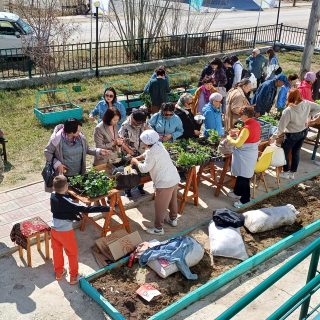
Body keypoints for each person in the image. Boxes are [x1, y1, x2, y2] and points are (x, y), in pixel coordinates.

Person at [50, 175, 109, 284]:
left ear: (54, 187)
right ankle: (73, 277)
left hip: (54, 230)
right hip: (65, 232)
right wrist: (106, 208)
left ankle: (59, 273)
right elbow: (85, 208)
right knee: (72, 253)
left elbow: (63, 207)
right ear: (66, 186)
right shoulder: (67, 201)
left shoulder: (52, 196)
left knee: (57, 251)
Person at [131, 130, 180, 235]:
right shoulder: (159, 144)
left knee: (160, 207)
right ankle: (173, 219)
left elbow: (144, 169)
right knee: (172, 200)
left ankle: (158, 229)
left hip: (164, 183)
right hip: (174, 177)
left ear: (146, 142)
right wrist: (139, 157)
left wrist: (135, 161)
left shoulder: (152, 152)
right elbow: (147, 153)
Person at [44, 118, 108, 191]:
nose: (80, 132)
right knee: (65, 197)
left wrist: (99, 151)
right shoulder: (56, 139)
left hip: (78, 174)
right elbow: (47, 152)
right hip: (64, 175)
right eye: (78, 130)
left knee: (76, 197)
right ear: (71, 131)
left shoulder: (80, 137)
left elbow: (87, 149)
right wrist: (57, 164)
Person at [270, 89, 320, 179]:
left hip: (292, 135)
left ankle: (286, 172)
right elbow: (318, 108)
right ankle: (292, 173)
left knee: (284, 153)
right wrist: (309, 116)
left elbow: (281, 128)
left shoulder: (288, 111)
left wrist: (273, 137)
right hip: (304, 132)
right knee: (296, 152)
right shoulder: (306, 103)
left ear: (290, 98)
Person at [227, 106, 261, 208]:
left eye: (240, 115)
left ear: (245, 116)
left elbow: (238, 143)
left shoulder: (247, 128)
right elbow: (248, 135)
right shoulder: (255, 123)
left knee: (244, 177)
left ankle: (245, 199)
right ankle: (237, 192)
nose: (239, 117)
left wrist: (229, 138)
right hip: (250, 153)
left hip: (245, 155)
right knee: (242, 175)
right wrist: (237, 132)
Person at [119, 109, 150, 197]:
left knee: (141, 171)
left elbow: (150, 133)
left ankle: (140, 187)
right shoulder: (125, 125)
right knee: (128, 171)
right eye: (136, 123)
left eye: (140, 123)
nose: (137, 125)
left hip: (142, 151)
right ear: (132, 118)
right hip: (129, 152)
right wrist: (130, 151)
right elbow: (122, 141)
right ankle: (128, 190)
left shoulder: (144, 123)